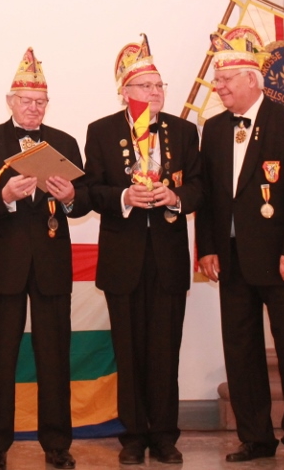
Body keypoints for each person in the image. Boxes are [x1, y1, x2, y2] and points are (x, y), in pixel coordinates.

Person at [195, 31, 284, 464]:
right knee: (241, 350)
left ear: (252, 79)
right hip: (231, 260)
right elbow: (209, 197)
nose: (219, 87)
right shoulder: (213, 129)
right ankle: (255, 437)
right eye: (217, 80)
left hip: (282, 260)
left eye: (225, 79)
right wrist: (207, 248)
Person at [0, 48, 90, 470]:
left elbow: (84, 199)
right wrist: (4, 196)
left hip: (51, 264)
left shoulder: (65, 142)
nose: (34, 108)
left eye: (41, 102)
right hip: (3, 266)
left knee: (54, 356)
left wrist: (70, 197)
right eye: (27, 101)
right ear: (10, 102)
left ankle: (57, 444)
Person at [82, 34, 202, 465]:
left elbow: (200, 186)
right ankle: (132, 435)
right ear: (125, 91)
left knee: (165, 350)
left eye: (159, 85)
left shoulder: (184, 131)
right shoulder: (101, 131)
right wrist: (123, 197)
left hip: (168, 260)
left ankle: (165, 435)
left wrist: (176, 198)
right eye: (146, 86)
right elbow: (89, 191)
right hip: (123, 260)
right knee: (129, 351)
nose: (156, 92)